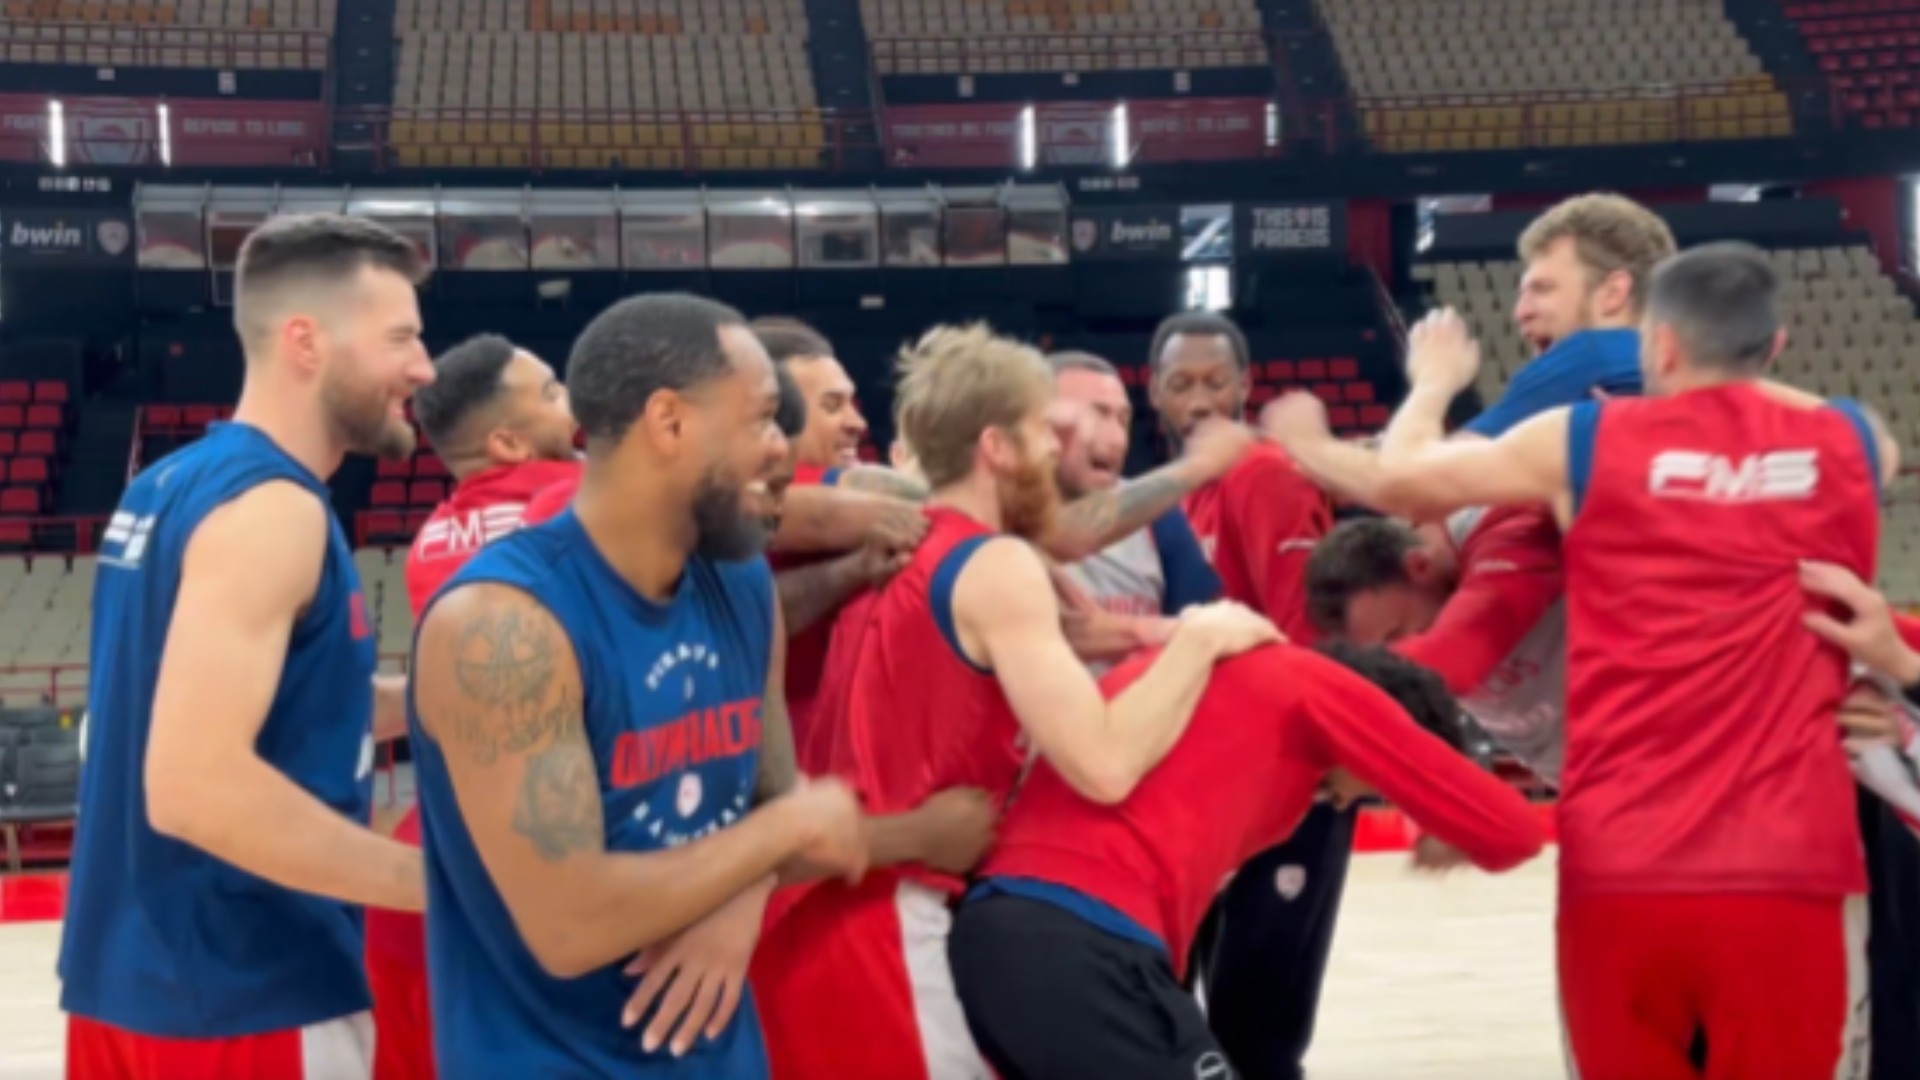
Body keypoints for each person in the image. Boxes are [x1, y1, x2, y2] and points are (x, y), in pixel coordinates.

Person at [1268, 242, 1897, 1080]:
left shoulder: (1586, 440)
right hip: (1789, 864)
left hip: (1622, 868)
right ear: (1773, 346)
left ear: (1660, 345)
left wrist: (1429, 384)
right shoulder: (1855, 442)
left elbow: (1401, 480)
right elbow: (1822, 417)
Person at [752, 323, 1280, 1080]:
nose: (1054, 456)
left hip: (828, 918)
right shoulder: (991, 562)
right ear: (996, 447)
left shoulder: (910, 544)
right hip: (890, 923)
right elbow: (1103, 762)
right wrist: (1200, 638)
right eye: (1043, 435)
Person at [406, 293, 871, 1075]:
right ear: (669, 422)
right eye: (762, 419)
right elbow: (569, 924)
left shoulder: (742, 581)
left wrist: (744, 893)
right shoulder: (504, 624)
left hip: (720, 1057)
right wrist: (784, 836)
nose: (782, 450)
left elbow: (771, 801)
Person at [59, 214, 433, 1079]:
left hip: (130, 986)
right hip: (248, 994)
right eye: (401, 338)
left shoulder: (167, 482)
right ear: (306, 341)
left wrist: (442, 705)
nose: (424, 367)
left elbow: (280, 708)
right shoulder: (275, 510)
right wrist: (445, 888)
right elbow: (197, 788)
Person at [950, 641, 1546, 1080]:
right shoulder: (1323, 689)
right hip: (1083, 947)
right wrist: (1446, 821)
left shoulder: (1208, 680)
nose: (1347, 802)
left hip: (995, 937)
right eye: (1378, 788)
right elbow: (1513, 832)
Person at [368, 333, 580, 1080]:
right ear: (508, 441)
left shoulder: (432, 537)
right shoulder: (579, 502)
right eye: (553, 391)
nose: (574, 399)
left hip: (438, 842)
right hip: (556, 850)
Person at [1143, 310, 1348, 1079]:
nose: (1199, 400)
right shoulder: (1179, 496)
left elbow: (1310, 640)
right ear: (1153, 391)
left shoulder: (1263, 475)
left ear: (1247, 384)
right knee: (1201, 1025)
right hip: (1212, 792)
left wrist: (1291, 782)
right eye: (1181, 383)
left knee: (1256, 1036)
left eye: (1215, 381)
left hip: (1283, 791)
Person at [1303, 510, 1566, 783]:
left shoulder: (1511, 530)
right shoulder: (1420, 602)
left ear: (1419, 566)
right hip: (1570, 777)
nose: (1398, 654)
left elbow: (1453, 654)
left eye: (1396, 633)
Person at [1047, 351, 1220, 668]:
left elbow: (1205, 635)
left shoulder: (1159, 518)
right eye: (1098, 414)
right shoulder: (993, 513)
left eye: (1123, 420)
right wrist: (1200, 465)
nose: (1117, 439)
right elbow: (1060, 531)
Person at [1463, 192, 1677, 435]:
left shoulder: (1587, 356)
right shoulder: (1692, 374)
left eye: (1543, 289)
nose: (1521, 312)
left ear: (1613, 293)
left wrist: (1435, 382)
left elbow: (1437, 459)